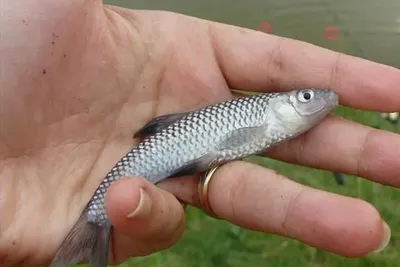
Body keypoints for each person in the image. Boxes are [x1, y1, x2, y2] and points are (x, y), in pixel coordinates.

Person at [0, 0, 398, 266]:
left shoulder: (268, 117)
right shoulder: (265, 117)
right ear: (281, 104)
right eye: (305, 97)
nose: (315, 101)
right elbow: (232, 143)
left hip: (167, 150)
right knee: (124, 202)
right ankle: (92, 226)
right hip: (161, 152)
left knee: (135, 202)